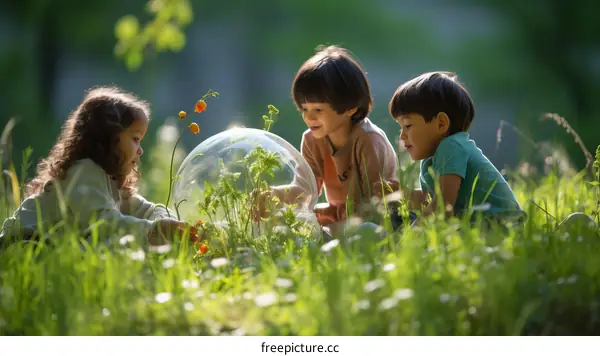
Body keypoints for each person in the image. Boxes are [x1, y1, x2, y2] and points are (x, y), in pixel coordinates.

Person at [0, 86, 190, 246]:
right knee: (111, 247)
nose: (140, 150)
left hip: (49, 247)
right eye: (135, 139)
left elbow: (147, 209)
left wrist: (165, 222)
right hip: (24, 243)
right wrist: (154, 230)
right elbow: (104, 225)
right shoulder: (83, 172)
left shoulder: (111, 182)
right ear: (108, 138)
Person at [255, 45, 401, 235]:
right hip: (339, 217)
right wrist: (274, 195)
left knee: (362, 232)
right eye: (304, 109)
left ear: (350, 107)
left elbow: (374, 206)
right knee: (285, 225)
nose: (309, 118)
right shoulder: (312, 140)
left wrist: (328, 222)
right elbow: (304, 190)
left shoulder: (368, 141)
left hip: (379, 222)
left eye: (318, 110)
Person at [388, 71, 525, 226]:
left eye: (408, 126)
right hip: (471, 224)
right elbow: (432, 200)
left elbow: (443, 207)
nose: (402, 136)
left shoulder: (451, 147)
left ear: (441, 123)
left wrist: (409, 241)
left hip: (500, 225)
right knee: (396, 217)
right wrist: (404, 196)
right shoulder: (431, 158)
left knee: (408, 226)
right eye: (401, 128)